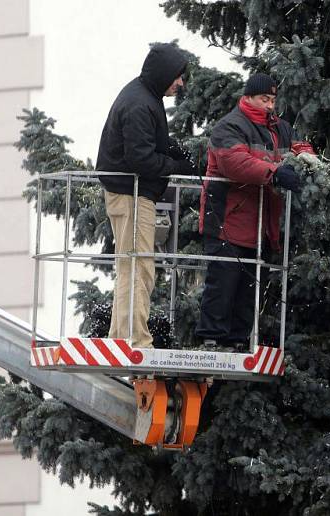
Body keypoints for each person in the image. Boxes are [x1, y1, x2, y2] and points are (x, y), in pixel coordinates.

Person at [196, 73, 314, 350]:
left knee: (248, 290)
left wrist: (307, 157)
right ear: (248, 97)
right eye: (264, 99)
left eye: (273, 99)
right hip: (227, 220)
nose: (270, 105)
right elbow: (234, 163)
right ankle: (210, 339)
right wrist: (274, 173)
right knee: (222, 284)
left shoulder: (279, 128)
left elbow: (299, 145)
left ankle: (237, 340)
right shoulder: (230, 127)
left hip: (259, 226)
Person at [96, 44, 195, 349]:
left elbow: (148, 143)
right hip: (133, 196)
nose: (181, 84)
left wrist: (171, 147)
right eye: (178, 77)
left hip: (127, 194)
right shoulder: (141, 103)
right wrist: (177, 166)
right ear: (165, 73)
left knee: (131, 267)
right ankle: (136, 340)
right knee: (139, 268)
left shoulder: (143, 96)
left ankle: (120, 337)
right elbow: (141, 158)